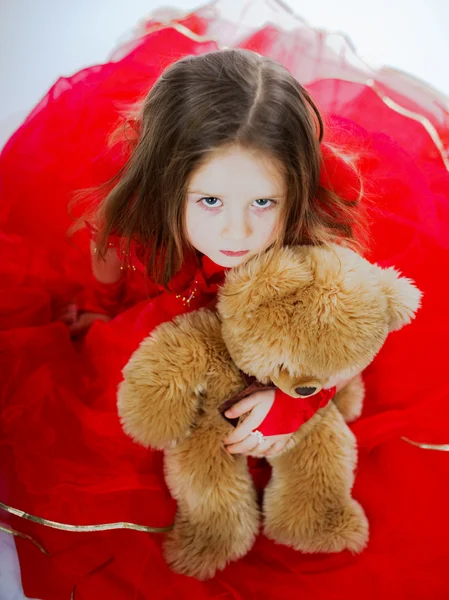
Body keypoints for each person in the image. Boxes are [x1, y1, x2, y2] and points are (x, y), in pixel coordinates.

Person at [0, 2, 448, 598]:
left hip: (283, 336)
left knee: (333, 447)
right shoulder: (132, 218)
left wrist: (293, 402)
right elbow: (106, 272)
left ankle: (308, 515)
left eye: (262, 202)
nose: (236, 232)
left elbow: (343, 335)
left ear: (294, 190)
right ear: (166, 185)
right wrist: (97, 308)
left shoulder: (311, 240)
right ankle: (212, 521)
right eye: (208, 201)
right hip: (173, 336)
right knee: (120, 418)